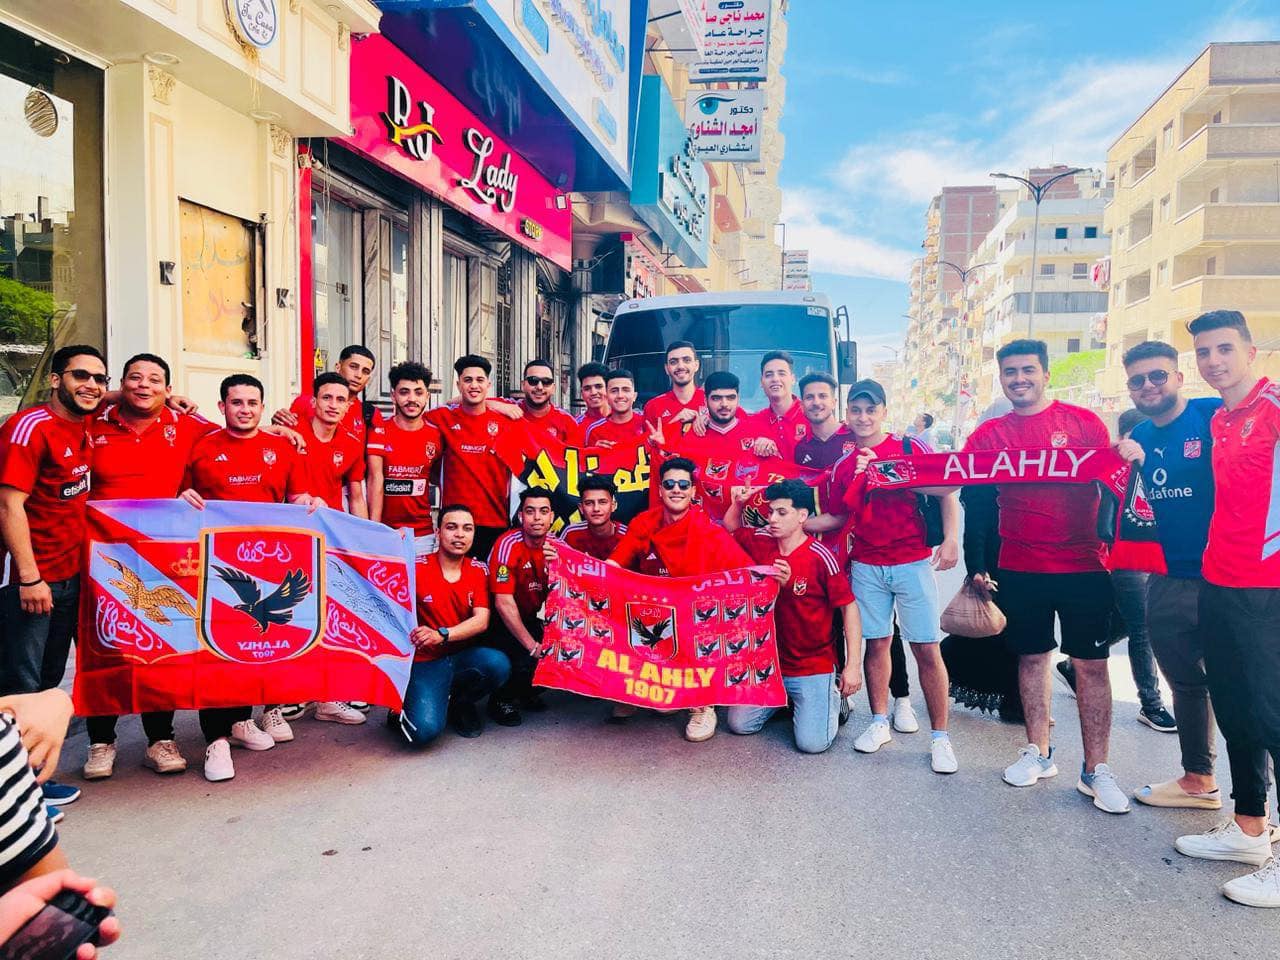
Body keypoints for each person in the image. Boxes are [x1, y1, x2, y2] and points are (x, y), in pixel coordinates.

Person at [963, 340, 1129, 813]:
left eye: (1028, 370)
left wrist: (1131, 456)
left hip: (1085, 566)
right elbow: (959, 489)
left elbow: (1117, 485)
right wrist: (885, 471)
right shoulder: (989, 435)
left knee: (1090, 666)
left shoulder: (1084, 423)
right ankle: (1038, 752)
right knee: (1032, 659)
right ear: (1001, 378)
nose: (1019, 379)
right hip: (1019, 567)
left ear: (1046, 374)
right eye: (1010, 372)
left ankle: (1096, 770)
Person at [1172, 310, 1280, 907]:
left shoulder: (1274, 408)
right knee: (1236, 709)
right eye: (1204, 352)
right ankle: (1248, 828)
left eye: (1224, 348)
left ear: (1250, 351)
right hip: (1219, 580)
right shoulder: (1219, 418)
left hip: (1268, 588)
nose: (1213, 361)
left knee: (1273, 715)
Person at [179, 374, 324, 782]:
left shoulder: (283, 448)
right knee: (215, 652)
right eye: (236, 402)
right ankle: (216, 740)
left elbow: (296, 498)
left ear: (262, 407)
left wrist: (310, 502)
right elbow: (179, 499)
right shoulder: (201, 447)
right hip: (216, 569)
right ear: (222, 406)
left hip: (268, 565)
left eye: (252, 403)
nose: (244, 410)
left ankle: (246, 718)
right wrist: (181, 498)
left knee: (257, 648)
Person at [81, 353, 219, 780]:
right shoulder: (93, 422)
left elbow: (235, 434)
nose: (144, 385)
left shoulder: (185, 425)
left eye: (155, 380)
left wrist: (283, 431)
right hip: (104, 557)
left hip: (161, 559)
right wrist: (112, 396)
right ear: (120, 384)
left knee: (161, 646)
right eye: (135, 379)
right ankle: (100, 742)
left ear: (168, 388)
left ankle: (160, 739)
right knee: (104, 646)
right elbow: (60, 408)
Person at [815, 379, 961, 774]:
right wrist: (792, 524)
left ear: (883, 412)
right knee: (876, 644)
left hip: (913, 562)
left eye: (871, 410)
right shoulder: (844, 465)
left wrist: (951, 540)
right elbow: (837, 516)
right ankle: (879, 721)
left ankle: (940, 737)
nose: (863, 417)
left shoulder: (911, 448)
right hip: (866, 564)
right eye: (856, 410)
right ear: (847, 414)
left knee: (926, 648)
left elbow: (946, 490)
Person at [1110, 340, 1221, 811]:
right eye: (1138, 380)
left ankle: (1255, 812)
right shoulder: (1139, 437)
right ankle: (1198, 778)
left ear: (1178, 376)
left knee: (1244, 689)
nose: (1148, 385)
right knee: (1185, 683)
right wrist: (1126, 461)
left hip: (1227, 576)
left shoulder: (1212, 415)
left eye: (1158, 375)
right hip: (1166, 577)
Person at [0, 344, 106, 814]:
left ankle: (33, 784)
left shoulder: (84, 424)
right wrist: (29, 578)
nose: (91, 385)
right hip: (30, 579)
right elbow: (9, 505)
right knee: (18, 686)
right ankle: (14, 797)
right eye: (80, 375)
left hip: (68, 576)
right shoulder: (29, 428)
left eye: (99, 379)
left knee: (45, 683)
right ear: (55, 379)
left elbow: (107, 397)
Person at [609, 457, 752, 742]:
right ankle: (657, 686)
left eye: (683, 485)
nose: (676, 489)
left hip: (697, 620)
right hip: (656, 614)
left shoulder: (709, 530)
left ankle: (703, 705)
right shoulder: (644, 523)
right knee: (615, 603)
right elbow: (617, 562)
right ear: (660, 490)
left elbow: (745, 573)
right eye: (670, 484)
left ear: (693, 492)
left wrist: (774, 576)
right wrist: (584, 569)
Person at [723, 480, 863, 753]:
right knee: (739, 724)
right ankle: (788, 701)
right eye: (771, 512)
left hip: (812, 665)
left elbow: (849, 608)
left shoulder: (820, 556)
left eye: (782, 513)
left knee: (812, 744)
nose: (772, 519)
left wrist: (853, 666)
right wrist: (738, 504)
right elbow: (731, 529)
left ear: (802, 516)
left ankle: (833, 698)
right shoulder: (762, 541)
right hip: (770, 665)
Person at [1066, 406, 1175, 734]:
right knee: (1143, 628)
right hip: (1128, 559)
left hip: (1156, 558)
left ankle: (1073, 661)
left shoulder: (1151, 463)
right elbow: (1104, 523)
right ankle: (1151, 703)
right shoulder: (1118, 467)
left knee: (1129, 622)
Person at [398, 505, 509, 746]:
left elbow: (481, 620)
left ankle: (461, 703)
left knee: (498, 663)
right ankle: (399, 707)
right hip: (424, 662)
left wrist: (442, 634)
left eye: (467, 528)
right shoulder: (413, 567)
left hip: (461, 657)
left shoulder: (478, 570)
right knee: (422, 733)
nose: (459, 534)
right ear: (438, 532)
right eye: (452, 527)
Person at [424, 355, 519, 561]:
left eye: (479, 380)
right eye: (467, 380)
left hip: (495, 520)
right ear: (458, 384)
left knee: (490, 579)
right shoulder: (441, 417)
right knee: (453, 576)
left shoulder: (506, 421)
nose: (474, 385)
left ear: (488, 384)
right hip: (454, 522)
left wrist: (493, 404)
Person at [648, 371, 774, 522]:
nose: (724, 404)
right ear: (705, 400)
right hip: (701, 529)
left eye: (730, 397)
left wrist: (770, 446)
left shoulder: (758, 434)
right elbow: (667, 475)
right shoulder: (690, 434)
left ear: (738, 399)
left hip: (746, 528)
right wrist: (660, 444)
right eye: (716, 398)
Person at [487, 489, 556, 727]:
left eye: (543, 511)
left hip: (529, 616)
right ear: (520, 516)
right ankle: (500, 700)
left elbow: (567, 596)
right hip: (497, 620)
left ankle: (525, 691)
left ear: (551, 517)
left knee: (561, 653)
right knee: (523, 658)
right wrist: (533, 646)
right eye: (530, 511)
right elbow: (503, 603)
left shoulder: (557, 546)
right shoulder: (507, 543)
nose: (537, 517)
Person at [367, 361, 444, 559]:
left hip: (423, 534)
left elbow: (440, 478)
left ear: (427, 396)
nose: (412, 399)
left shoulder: (436, 435)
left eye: (418, 393)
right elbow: (375, 480)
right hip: (385, 532)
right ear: (393, 395)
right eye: (404, 392)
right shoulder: (379, 430)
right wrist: (374, 530)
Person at [294, 372, 368, 518]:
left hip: (332, 521)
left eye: (340, 400)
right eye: (327, 398)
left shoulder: (353, 444)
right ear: (313, 402)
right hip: (297, 520)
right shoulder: (292, 434)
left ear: (347, 406)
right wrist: (276, 429)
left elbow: (357, 498)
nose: (333, 405)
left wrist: (364, 531)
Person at [273, 344, 380, 444]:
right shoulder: (305, 402)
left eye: (365, 371)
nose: (359, 375)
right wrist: (278, 425)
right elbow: (285, 440)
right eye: (353, 367)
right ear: (338, 367)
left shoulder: (370, 413)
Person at [747, 351, 807, 460]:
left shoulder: (810, 416)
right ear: (761, 382)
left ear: (793, 379)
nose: (775, 379)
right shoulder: (753, 422)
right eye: (769, 375)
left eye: (781, 373)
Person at [557, 475, 628, 561]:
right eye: (589, 503)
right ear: (581, 508)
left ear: (613, 506)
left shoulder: (627, 536)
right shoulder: (570, 533)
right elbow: (558, 565)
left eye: (602, 502)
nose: (596, 509)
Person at [792, 373, 855, 468]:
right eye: (809, 397)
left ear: (833, 403)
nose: (816, 403)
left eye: (822, 396)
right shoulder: (801, 449)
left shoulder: (855, 437)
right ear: (802, 405)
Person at [642, 341, 704, 431]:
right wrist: (674, 422)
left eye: (687, 360)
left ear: (696, 365)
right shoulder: (653, 407)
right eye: (673, 362)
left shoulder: (711, 401)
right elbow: (648, 439)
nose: (680, 366)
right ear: (666, 369)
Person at [583, 369, 647, 447]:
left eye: (626, 390)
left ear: (634, 396)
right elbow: (587, 454)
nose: (620, 395)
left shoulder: (647, 422)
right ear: (606, 396)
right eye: (614, 391)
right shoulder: (594, 431)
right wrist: (595, 450)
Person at [518, 359, 577, 443]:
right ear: (523, 385)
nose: (539, 387)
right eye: (533, 381)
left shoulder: (568, 423)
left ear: (553, 388)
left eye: (546, 382)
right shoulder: (508, 410)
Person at [572, 362, 611, 441]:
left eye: (598, 386)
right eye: (587, 388)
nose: (593, 392)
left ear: (608, 388)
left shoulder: (624, 419)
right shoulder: (575, 426)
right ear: (581, 393)